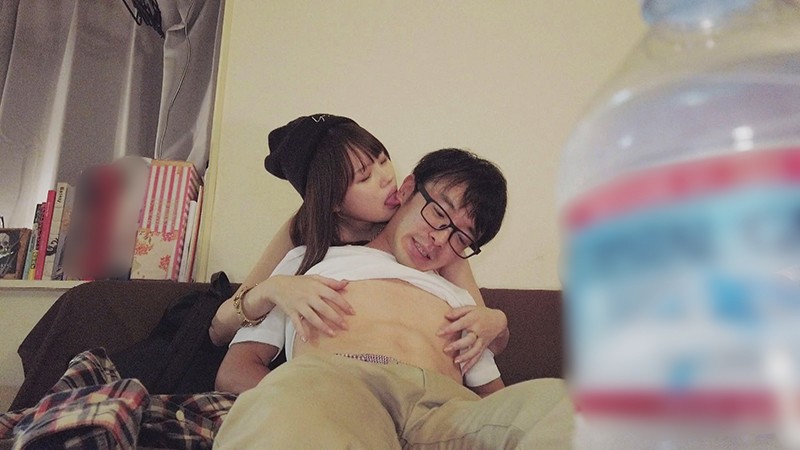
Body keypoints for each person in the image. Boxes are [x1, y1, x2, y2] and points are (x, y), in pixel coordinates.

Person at [214, 149, 574, 449]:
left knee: (565, 407)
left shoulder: (459, 298)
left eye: (461, 238)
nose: (439, 239)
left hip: (445, 414)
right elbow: (235, 371)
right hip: (336, 391)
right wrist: (304, 401)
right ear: (407, 189)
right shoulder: (310, 262)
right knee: (281, 416)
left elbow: (496, 401)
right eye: (438, 214)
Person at [208, 114, 509, 373]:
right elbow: (218, 332)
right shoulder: (304, 236)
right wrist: (273, 289)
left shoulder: (431, 231)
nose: (386, 179)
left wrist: (498, 319)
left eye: (382, 160)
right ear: (333, 201)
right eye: (364, 177)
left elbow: (482, 330)